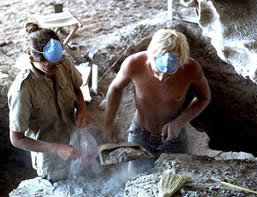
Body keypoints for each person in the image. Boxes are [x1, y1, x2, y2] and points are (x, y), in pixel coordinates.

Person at [104, 29, 211, 171]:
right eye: (157, 71)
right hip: (140, 135)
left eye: (169, 74)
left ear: (181, 63)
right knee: (136, 180)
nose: (162, 78)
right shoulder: (134, 64)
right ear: (151, 56)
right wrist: (108, 122)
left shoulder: (191, 69)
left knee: (178, 181)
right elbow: (115, 88)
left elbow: (204, 98)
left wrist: (180, 122)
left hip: (175, 138)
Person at [8, 22, 91, 181]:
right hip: (50, 158)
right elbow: (16, 139)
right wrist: (56, 149)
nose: (57, 69)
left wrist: (81, 109)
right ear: (32, 59)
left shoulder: (63, 62)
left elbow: (77, 89)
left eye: (58, 63)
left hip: (74, 140)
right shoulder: (22, 90)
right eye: (50, 66)